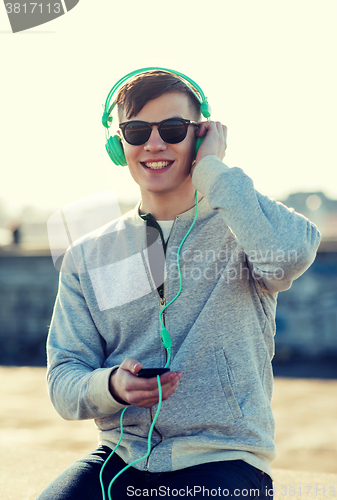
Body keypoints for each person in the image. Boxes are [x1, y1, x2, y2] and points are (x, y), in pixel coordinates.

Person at [37, 69, 321, 500]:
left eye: (172, 129)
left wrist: (214, 170)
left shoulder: (242, 226)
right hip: (121, 457)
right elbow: (64, 380)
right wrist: (111, 386)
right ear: (119, 145)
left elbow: (290, 256)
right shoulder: (88, 254)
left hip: (224, 459)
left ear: (201, 135)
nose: (154, 144)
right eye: (136, 131)